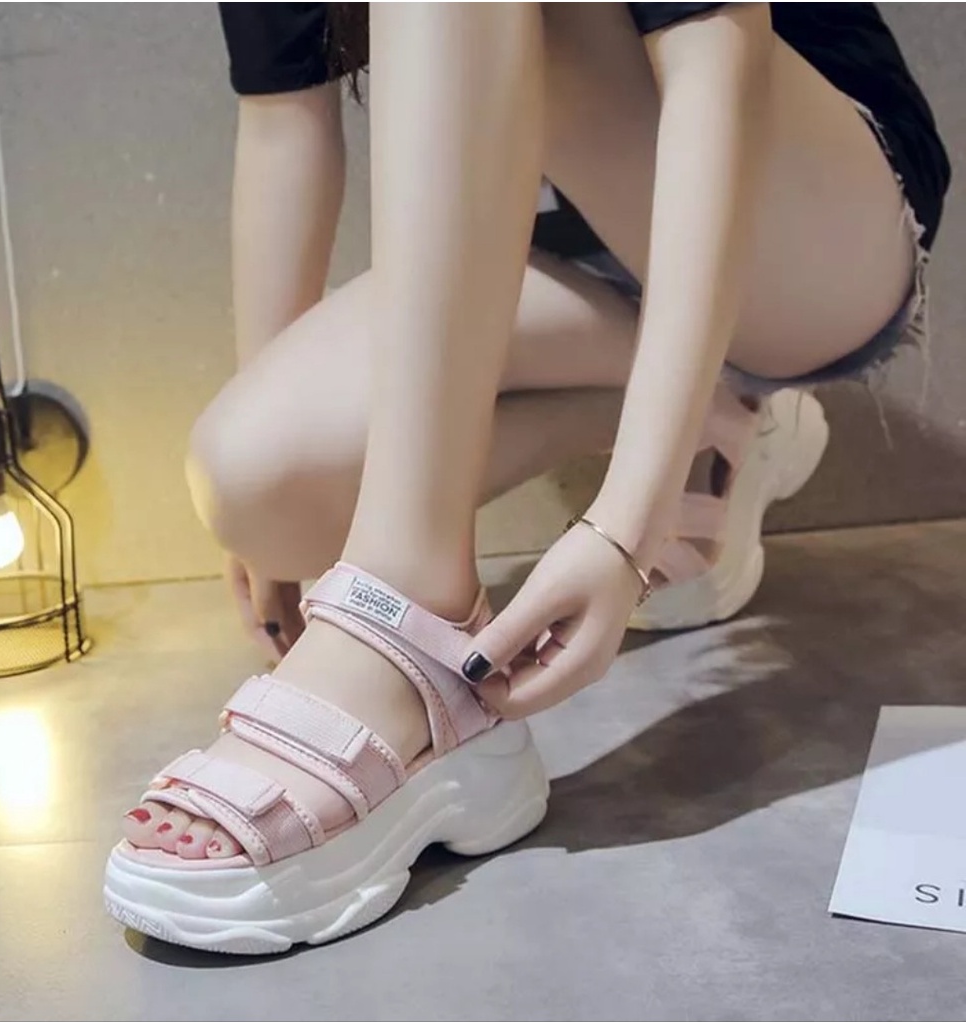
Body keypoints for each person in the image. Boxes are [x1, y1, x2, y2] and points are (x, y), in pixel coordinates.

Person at [104, 4, 949, 953]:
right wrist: (269, 501)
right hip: (545, 249)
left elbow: (718, 64)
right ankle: (722, 414)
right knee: (250, 479)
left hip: (798, 224)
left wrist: (624, 526)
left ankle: (405, 595)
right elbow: (283, 117)